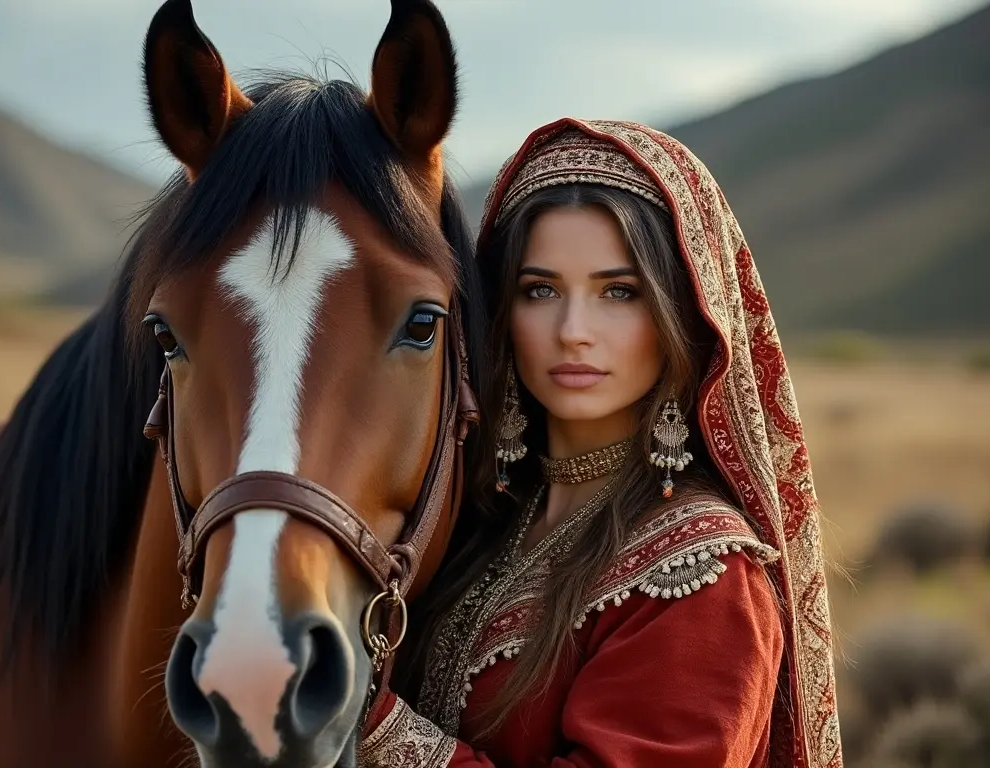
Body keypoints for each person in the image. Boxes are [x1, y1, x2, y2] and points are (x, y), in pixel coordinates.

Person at [357, 119, 843, 768]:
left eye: (619, 292)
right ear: (499, 313)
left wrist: (376, 728)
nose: (573, 330)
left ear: (683, 315)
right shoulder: (477, 522)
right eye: (540, 290)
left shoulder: (704, 577)